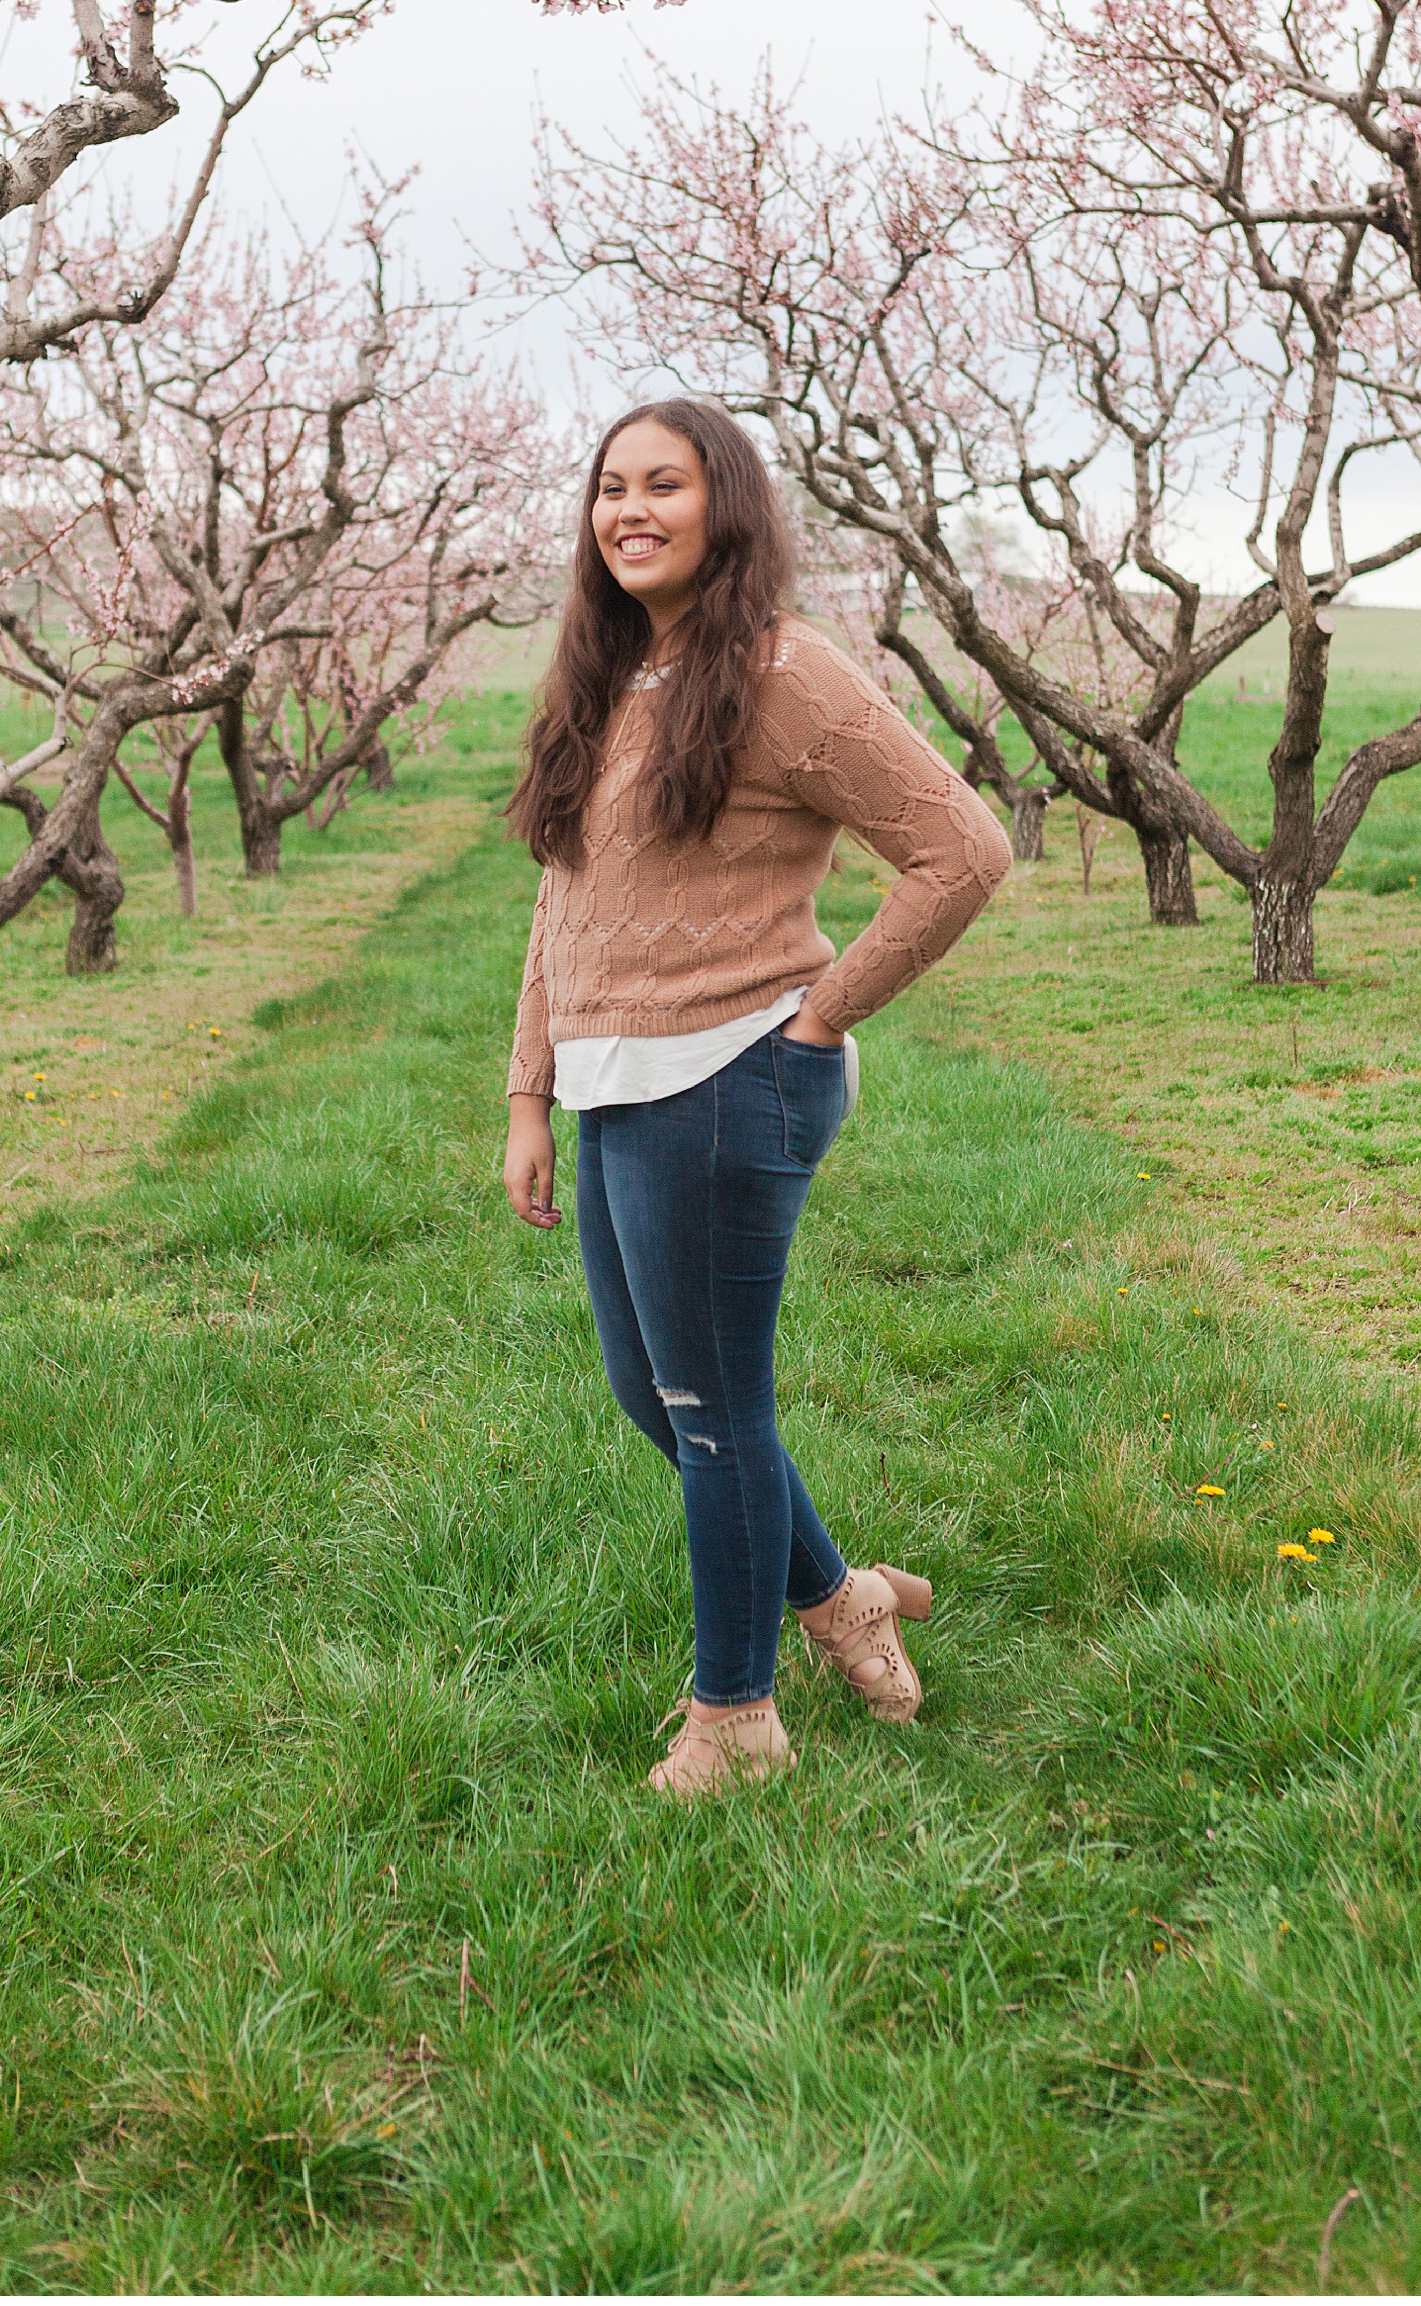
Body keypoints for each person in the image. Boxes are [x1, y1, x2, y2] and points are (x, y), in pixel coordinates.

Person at [502, 398, 1010, 1797]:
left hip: (734, 1078)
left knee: (714, 1407)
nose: (632, 510)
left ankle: (736, 1720)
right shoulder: (605, 683)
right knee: (656, 1396)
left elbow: (961, 846)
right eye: (611, 487)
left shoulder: (788, 674)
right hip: (616, 1089)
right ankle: (840, 1599)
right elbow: (564, 902)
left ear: (726, 505)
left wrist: (822, 1016)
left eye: (665, 484)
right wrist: (529, 1094)